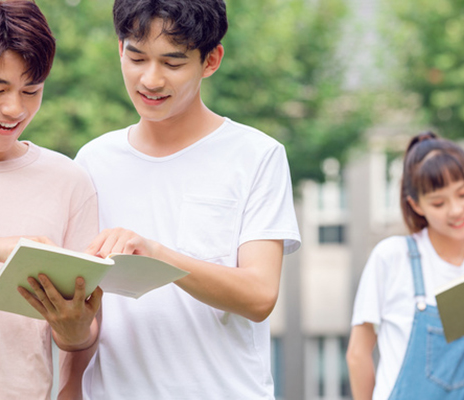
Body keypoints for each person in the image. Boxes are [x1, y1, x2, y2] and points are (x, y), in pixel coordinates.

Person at [72, 0, 301, 398]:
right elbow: (84, 306)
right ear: (120, 49)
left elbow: (260, 295)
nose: (150, 79)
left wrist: (158, 256)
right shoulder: (92, 161)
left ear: (211, 60)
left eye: (172, 63)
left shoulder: (256, 155)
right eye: (137, 57)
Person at [0, 1, 102, 398]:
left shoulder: (67, 181)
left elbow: (83, 336)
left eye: (31, 90)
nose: (14, 108)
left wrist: (75, 328)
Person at [346, 132, 464, 400]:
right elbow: (358, 353)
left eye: (463, 194)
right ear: (416, 205)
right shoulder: (392, 256)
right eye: (438, 202)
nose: (456, 210)